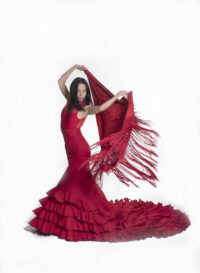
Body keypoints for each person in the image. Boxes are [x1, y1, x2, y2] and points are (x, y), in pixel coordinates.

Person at [26, 64, 191, 242]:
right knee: (82, 187)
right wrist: (74, 67)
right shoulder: (69, 101)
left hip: (81, 151)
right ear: (73, 91)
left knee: (68, 184)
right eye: (79, 91)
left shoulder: (85, 109)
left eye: (84, 91)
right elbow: (60, 81)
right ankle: (81, 215)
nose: (81, 94)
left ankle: (60, 221)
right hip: (70, 151)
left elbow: (100, 109)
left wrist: (117, 96)